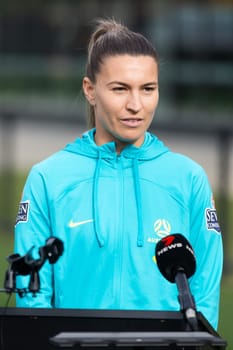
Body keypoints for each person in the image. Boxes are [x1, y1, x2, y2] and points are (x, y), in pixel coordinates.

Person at [14, 18, 223, 330]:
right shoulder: (48, 179)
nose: (135, 104)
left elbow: (205, 292)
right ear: (90, 90)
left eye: (147, 89)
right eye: (120, 89)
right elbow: (32, 294)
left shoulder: (189, 179)